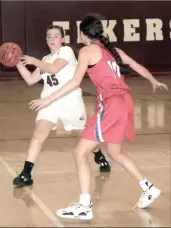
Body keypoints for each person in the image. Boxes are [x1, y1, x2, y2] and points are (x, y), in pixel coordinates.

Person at [24, 15, 168, 219]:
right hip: (125, 103)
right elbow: (136, 66)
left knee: (79, 153)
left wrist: (47, 100)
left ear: (83, 34)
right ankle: (148, 187)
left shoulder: (87, 51)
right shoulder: (114, 50)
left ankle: (84, 206)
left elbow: (75, 82)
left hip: (111, 105)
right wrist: (153, 80)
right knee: (115, 152)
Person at [13, 24, 111, 187]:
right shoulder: (44, 59)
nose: (52, 39)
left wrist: (32, 60)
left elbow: (53, 69)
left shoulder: (66, 52)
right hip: (48, 101)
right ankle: (26, 174)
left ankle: (99, 155)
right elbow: (31, 80)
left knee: (83, 135)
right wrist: (17, 63)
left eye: (55, 36)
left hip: (69, 100)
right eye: (49, 36)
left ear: (62, 39)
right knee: (39, 134)